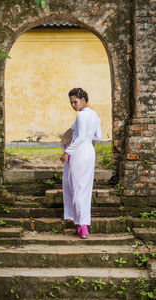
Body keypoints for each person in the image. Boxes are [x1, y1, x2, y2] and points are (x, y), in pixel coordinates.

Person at [60, 88, 101, 239]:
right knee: (84, 188)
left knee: (76, 188)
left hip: (78, 153)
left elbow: (81, 136)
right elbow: (97, 136)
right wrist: (87, 147)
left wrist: (67, 151)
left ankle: (81, 225)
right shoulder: (95, 115)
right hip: (89, 152)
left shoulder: (81, 116)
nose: (73, 105)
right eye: (71, 102)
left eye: (75, 101)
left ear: (83, 99)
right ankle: (81, 223)